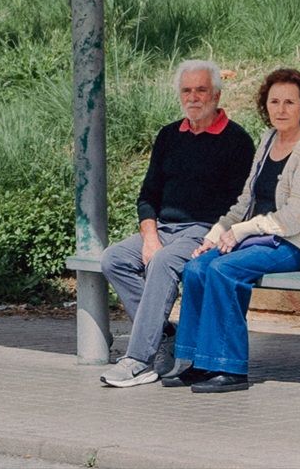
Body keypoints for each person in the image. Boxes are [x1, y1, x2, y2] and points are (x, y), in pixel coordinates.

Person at [162, 67, 300, 393]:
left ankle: (230, 368)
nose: (281, 110)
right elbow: (245, 200)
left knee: (225, 270)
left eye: (289, 103)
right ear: (264, 106)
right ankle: (197, 362)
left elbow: (295, 216)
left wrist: (240, 232)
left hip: (294, 242)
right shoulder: (268, 140)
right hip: (258, 237)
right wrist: (214, 235)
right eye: (274, 102)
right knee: (197, 267)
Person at [100, 60, 255, 388]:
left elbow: (241, 204)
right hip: (165, 229)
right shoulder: (169, 136)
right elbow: (148, 195)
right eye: (187, 90)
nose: (193, 97)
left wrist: (217, 235)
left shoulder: (237, 140)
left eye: (201, 90)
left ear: (216, 94)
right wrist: (149, 235)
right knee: (113, 259)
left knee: (164, 261)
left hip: (204, 230)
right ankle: (164, 334)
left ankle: (140, 359)